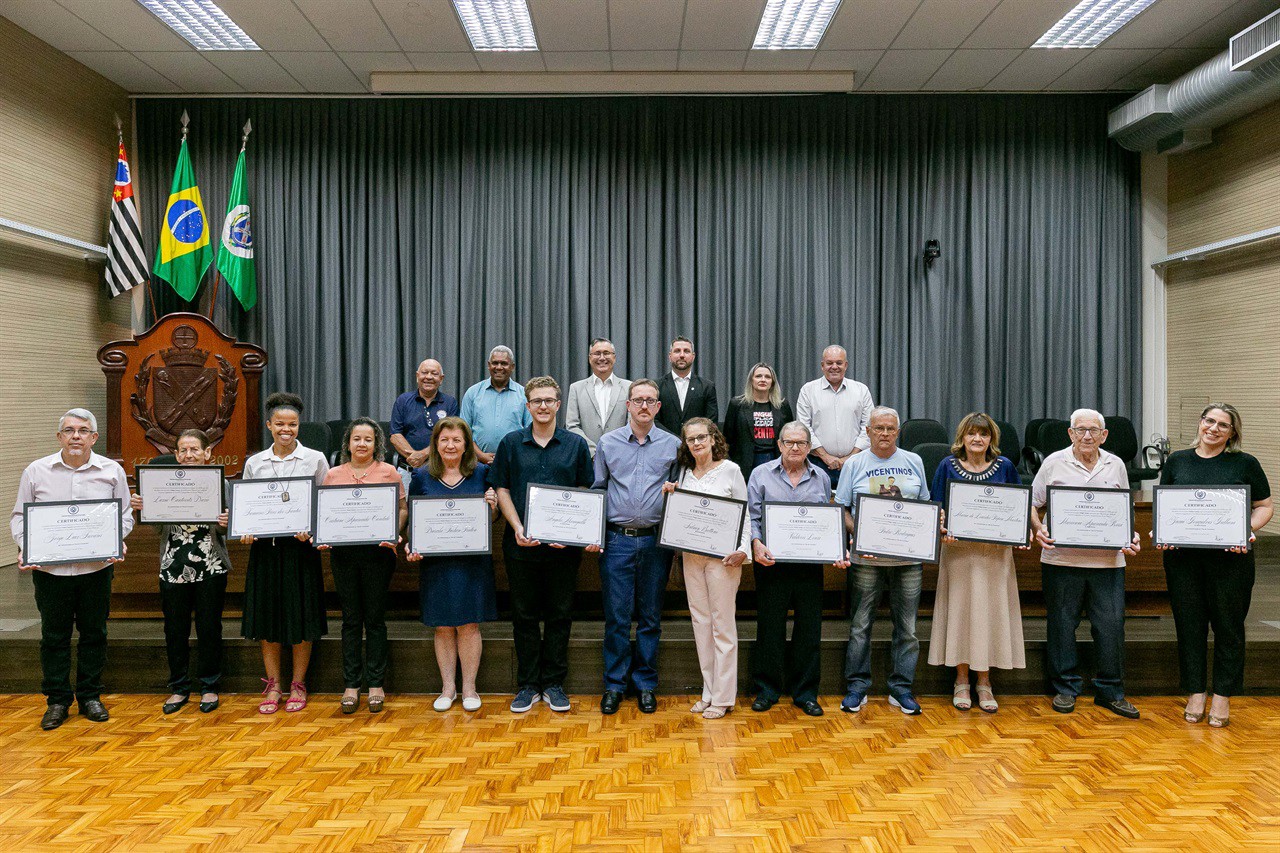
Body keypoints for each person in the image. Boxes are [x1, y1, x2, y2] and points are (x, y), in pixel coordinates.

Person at [10, 408, 133, 730]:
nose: (75, 436)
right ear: (59, 437)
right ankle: (58, 701)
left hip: (96, 568)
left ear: (93, 437)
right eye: (68, 430)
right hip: (51, 572)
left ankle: (90, 696)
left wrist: (116, 538)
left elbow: (124, 516)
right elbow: (20, 517)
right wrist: (27, 546)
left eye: (82, 430)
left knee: (94, 633)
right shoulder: (36, 471)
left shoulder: (111, 471)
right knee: (54, 637)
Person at [1156, 403, 1272, 728]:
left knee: (1228, 628)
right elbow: (1168, 504)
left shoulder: (1245, 463)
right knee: (1189, 626)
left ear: (1232, 432)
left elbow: (1264, 506)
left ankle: (1222, 696)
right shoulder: (1178, 460)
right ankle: (1195, 692)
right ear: (1200, 422)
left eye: (1223, 425)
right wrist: (1162, 529)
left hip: (1230, 560)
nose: (1214, 428)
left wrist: (1248, 529)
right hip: (1183, 561)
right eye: (1210, 420)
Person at [491, 377, 597, 713]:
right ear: (527, 405)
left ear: (558, 404)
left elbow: (583, 490)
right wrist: (518, 526)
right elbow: (502, 488)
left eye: (549, 400)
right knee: (523, 615)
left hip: (562, 550)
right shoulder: (510, 443)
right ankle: (527, 685)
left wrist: (570, 533)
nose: (543, 406)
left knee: (559, 614)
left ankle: (553, 683)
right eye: (536, 401)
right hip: (520, 543)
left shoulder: (575, 445)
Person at [1030, 408, 1142, 720]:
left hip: (1108, 563)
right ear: (1070, 433)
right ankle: (1066, 688)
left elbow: (1123, 511)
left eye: (1093, 430)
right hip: (1060, 560)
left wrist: (1130, 536)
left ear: (1104, 435)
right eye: (1080, 430)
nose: (1087, 436)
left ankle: (1110, 691)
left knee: (1110, 627)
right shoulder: (1053, 462)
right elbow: (1033, 503)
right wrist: (1038, 529)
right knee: (1062, 625)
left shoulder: (1115, 464)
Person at [747, 421, 848, 716]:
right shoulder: (760, 475)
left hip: (808, 567)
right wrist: (755, 543)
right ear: (779, 445)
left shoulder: (821, 479)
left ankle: (805, 693)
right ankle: (767, 690)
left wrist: (836, 548)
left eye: (801, 443)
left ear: (808, 447)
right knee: (769, 627)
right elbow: (753, 518)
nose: (795, 448)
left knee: (809, 629)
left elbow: (829, 521)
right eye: (789, 442)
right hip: (771, 563)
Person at [593, 378, 682, 714]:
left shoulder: (673, 445)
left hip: (656, 543)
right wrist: (594, 535)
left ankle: (645, 683)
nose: (644, 405)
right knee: (616, 618)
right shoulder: (608, 443)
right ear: (628, 405)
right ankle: (614, 685)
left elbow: (679, 494)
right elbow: (599, 489)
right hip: (617, 541)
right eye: (638, 400)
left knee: (649, 617)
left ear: (658, 407)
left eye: (651, 400)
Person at [927, 413, 1026, 713]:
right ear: (962, 437)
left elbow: (1018, 505)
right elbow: (935, 505)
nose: (977, 440)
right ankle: (961, 681)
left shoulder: (1005, 466)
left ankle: (984, 683)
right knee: (961, 614)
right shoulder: (947, 465)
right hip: (958, 554)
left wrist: (1018, 530)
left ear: (991, 439)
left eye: (983, 434)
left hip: (995, 555)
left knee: (989, 614)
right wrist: (942, 526)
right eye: (971, 434)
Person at [836, 407, 931, 715]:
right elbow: (842, 510)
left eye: (891, 428)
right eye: (879, 428)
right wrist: (861, 533)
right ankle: (857, 687)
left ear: (898, 432)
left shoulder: (913, 461)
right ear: (868, 431)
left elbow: (925, 506)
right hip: (867, 557)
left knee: (907, 628)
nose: (885, 434)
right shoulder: (855, 463)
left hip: (907, 559)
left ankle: (901, 688)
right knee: (861, 624)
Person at [240, 392, 330, 715]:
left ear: (299, 426)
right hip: (265, 551)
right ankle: (274, 685)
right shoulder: (255, 463)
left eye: (292, 424)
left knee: (301, 617)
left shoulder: (316, 459)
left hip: (301, 551)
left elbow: (323, 504)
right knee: (269, 619)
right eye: (280, 424)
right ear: (269, 425)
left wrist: (313, 529)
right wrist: (246, 528)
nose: (286, 429)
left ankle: (298, 684)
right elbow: (246, 507)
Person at [129, 429, 230, 716]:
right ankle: (179, 687)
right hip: (173, 565)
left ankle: (209, 685)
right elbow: (158, 526)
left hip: (210, 565)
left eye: (195, 449)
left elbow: (226, 529)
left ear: (207, 453)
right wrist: (143, 509)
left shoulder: (220, 483)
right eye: (183, 450)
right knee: (175, 629)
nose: (188, 455)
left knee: (210, 628)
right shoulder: (161, 484)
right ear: (175, 454)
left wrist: (224, 521)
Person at [407, 417, 498, 712]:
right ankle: (448, 688)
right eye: (444, 440)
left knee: (469, 625)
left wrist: (493, 506)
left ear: (467, 444)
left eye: (457, 440)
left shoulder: (482, 473)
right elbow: (413, 519)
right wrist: (412, 544)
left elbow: (492, 519)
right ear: (435, 443)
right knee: (443, 626)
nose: (450, 445)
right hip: (436, 564)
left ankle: (469, 687)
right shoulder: (421, 477)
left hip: (471, 563)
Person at [662, 418, 750, 719]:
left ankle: (724, 698)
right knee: (700, 624)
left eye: (702, 437)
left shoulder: (731, 470)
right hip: (691, 556)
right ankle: (708, 691)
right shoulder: (684, 474)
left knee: (722, 626)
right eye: (690, 439)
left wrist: (742, 549)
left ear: (713, 439)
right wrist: (671, 495)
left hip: (724, 558)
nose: (697, 443)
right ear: (685, 444)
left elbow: (745, 513)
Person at [318, 418, 407, 714]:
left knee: (376, 619)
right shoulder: (332, 475)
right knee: (351, 620)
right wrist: (324, 535)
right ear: (348, 443)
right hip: (344, 556)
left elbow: (402, 508)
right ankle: (351, 684)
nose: (362, 444)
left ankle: (376, 684)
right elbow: (324, 513)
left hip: (378, 555)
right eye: (357, 439)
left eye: (368, 439)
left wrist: (395, 529)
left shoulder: (389, 472)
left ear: (376, 444)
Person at [795, 345, 875, 492]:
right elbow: (803, 428)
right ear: (822, 366)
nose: (834, 367)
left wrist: (851, 457)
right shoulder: (808, 390)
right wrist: (825, 456)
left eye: (839, 363)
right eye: (829, 363)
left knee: (854, 510)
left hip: (856, 463)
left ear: (846, 365)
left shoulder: (861, 390)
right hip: (817, 463)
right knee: (819, 510)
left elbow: (868, 427)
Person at [722, 362, 794, 480]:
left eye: (767, 377)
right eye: (758, 376)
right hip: (746, 462)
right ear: (751, 380)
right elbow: (727, 438)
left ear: (772, 382)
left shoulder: (782, 405)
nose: (763, 379)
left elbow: (790, 436)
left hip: (775, 459)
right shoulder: (737, 404)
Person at [460, 345, 531, 464]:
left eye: (504, 363)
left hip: (513, 463)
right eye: (495, 363)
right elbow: (463, 431)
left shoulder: (524, 395)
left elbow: (530, 431)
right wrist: (480, 455)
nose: (499, 367)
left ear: (512, 367)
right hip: (477, 464)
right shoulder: (472, 393)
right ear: (489, 365)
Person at [390, 358, 460, 470]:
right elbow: (395, 435)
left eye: (434, 373)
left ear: (441, 379)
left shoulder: (450, 403)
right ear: (417, 376)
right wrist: (414, 457)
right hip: (408, 468)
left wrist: (424, 455)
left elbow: (450, 436)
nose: (428, 377)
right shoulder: (403, 400)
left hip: (440, 469)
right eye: (424, 372)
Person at [564, 338, 629, 454]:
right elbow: (572, 426)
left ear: (614, 357)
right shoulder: (576, 388)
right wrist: (594, 451)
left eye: (606, 353)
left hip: (620, 456)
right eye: (597, 353)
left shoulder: (629, 387)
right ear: (590, 358)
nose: (602, 358)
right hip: (587, 458)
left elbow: (631, 424)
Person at [655, 336, 719, 435]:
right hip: (665, 446)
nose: (682, 355)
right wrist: (675, 440)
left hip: (696, 445)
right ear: (670, 356)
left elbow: (711, 422)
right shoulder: (657, 386)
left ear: (693, 356)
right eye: (677, 351)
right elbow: (654, 420)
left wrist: (692, 439)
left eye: (686, 351)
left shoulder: (707, 387)